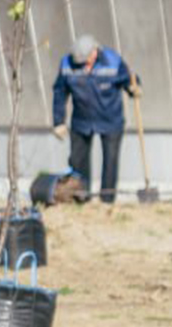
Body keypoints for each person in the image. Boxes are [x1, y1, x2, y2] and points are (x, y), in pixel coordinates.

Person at [52, 35, 138, 204]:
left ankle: (107, 200)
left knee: (110, 161)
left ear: (95, 52)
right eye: (80, 63)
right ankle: (81, 198)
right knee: (78, 161)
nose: (83, 66)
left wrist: (134, 87)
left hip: (110, 119)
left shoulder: (113, 61)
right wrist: (58, 121)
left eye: (86, 62)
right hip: (82, 121)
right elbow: (60, 92)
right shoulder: (67, 64)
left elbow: (128, 79)